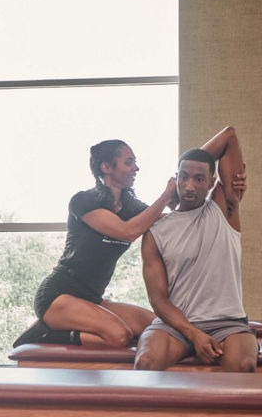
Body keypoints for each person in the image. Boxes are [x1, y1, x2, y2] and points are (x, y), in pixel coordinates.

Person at [117, 126, 262, 417]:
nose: (189, 184)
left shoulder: (224, 207)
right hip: (177, 325)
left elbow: (232, 136)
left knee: (246, 370)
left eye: (199, 177)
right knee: (145, 363)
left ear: (212, 182)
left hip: (228, 322)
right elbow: (158, 300)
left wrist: (208, 167)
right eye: (183, 176)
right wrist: (194, 334)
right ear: (174, 178)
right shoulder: (157, 230)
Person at [13, 140, 177, 348]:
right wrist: (165, 197)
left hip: (91, 299)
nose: (136, 168)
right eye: (128, 162)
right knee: (120, 336)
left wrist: (197, 190)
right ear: (106, 167)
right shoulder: (83, 201)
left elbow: (167, 221)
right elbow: (127, 232)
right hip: (58, 296)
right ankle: (44, 335)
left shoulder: (131, 207)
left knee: (157, 326)